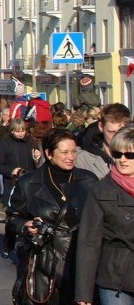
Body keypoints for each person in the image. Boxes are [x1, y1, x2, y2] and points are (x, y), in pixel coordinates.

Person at [8, 129, 98, 305]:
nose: (71, 157)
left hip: (81, 263)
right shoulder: (29, 183)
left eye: (73, 151)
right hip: (44, 264)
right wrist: (26, 225)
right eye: (64, 152)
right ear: (49, 153)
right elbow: (13, 218)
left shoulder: (89, 180)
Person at [76, 127, 134, 305]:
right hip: (115, 280)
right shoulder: (101, 190)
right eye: (117, 154)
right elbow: (89, 242)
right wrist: (83, 292)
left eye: (130, 155)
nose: (122, 160)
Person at [0, 118, 37, 258]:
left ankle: (27, 243)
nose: (20, 134)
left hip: (30, 184)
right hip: (13, 184)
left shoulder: (30, 142)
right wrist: (11, 171)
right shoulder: (6, 144)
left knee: (30, 215)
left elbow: (35, 163)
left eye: (22, 131)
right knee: (13, 217)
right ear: (12, 131)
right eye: (17, 131)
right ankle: (8, 243)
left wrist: (37, 157)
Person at [76, 103, 130, 179]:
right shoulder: (83, 159)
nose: (116, 137)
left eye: (121, 132)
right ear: (101, 127)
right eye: (111, 132)